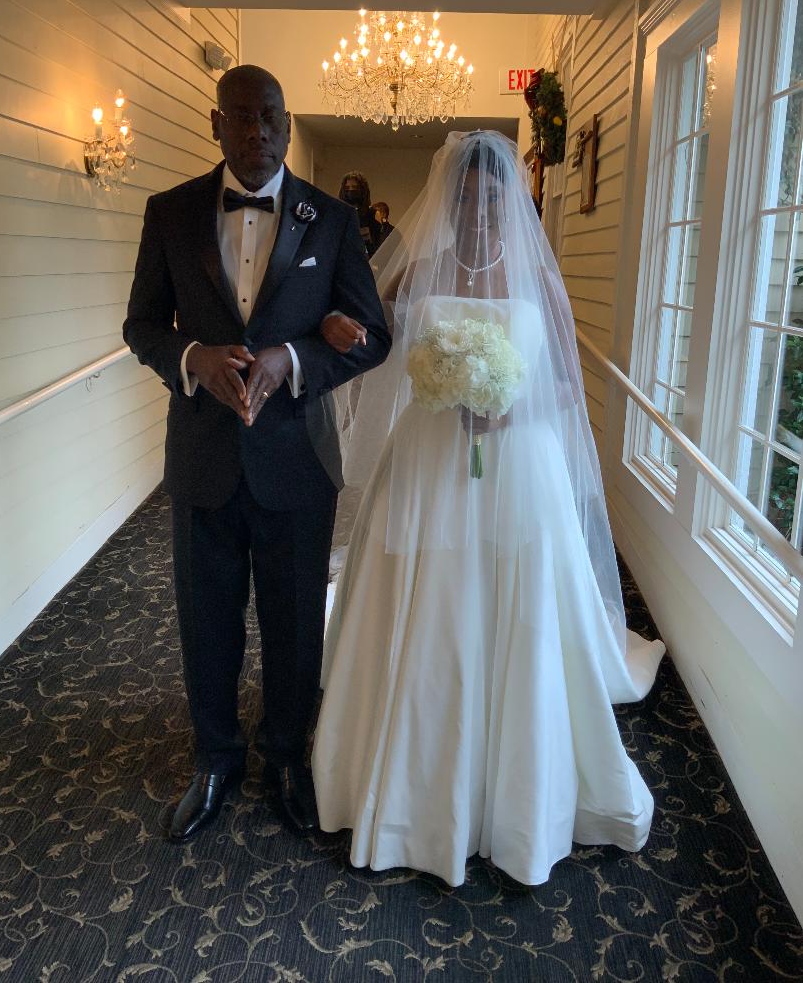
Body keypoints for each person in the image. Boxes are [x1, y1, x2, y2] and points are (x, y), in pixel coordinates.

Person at [312, 131, 665, 887]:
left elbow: (565, 381)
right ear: (450, 200)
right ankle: (412, 775)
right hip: (429, 458)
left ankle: (514, 787)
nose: (477, 214)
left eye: (491, 201)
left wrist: (510, 407)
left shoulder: (538, 276)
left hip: (519, 461)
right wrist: (340, 331)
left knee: (515, 600)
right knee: (432, 600)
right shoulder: (421, 271)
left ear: (512, 203)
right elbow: (371, 341)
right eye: (466, 200)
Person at [123, 65, 391, 844]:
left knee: (295, 622)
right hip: (202, 455)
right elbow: (141, 324)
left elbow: (372, 335)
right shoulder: (169, 213)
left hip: (298, 458)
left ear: (286, 122)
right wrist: (192, 357)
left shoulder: (331, 220)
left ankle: (285, 757)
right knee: (205, 620)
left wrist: (296, 358)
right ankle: (215, 761)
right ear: (216, 124)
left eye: (270, 116)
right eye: (241, 117)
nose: (257, 131)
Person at [339, 171, 381, 259]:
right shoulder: (339, 213)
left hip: (366, 259)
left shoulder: (372, 214)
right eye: (347, 188)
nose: (350, 190)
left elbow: (377, 244)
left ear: (362, 190)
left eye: (354, 187)